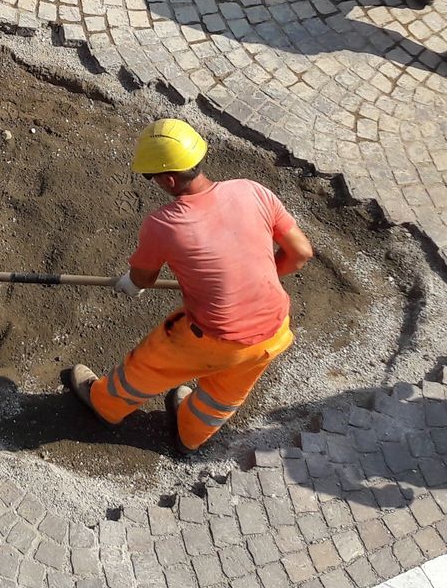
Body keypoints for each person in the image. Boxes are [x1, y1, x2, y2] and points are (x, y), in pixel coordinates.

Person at [66, 118, 315, 451]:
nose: (152, 182)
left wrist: (132, 283)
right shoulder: (252, 190)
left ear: (169, 178)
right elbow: (300, 253)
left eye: (150, 176)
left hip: (211, 337)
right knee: (225, 394)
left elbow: (143, 278)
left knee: (146, 366)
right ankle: (190, 435)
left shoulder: (164, 224)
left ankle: (105, 405)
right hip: (274, 330)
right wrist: (253, 279)